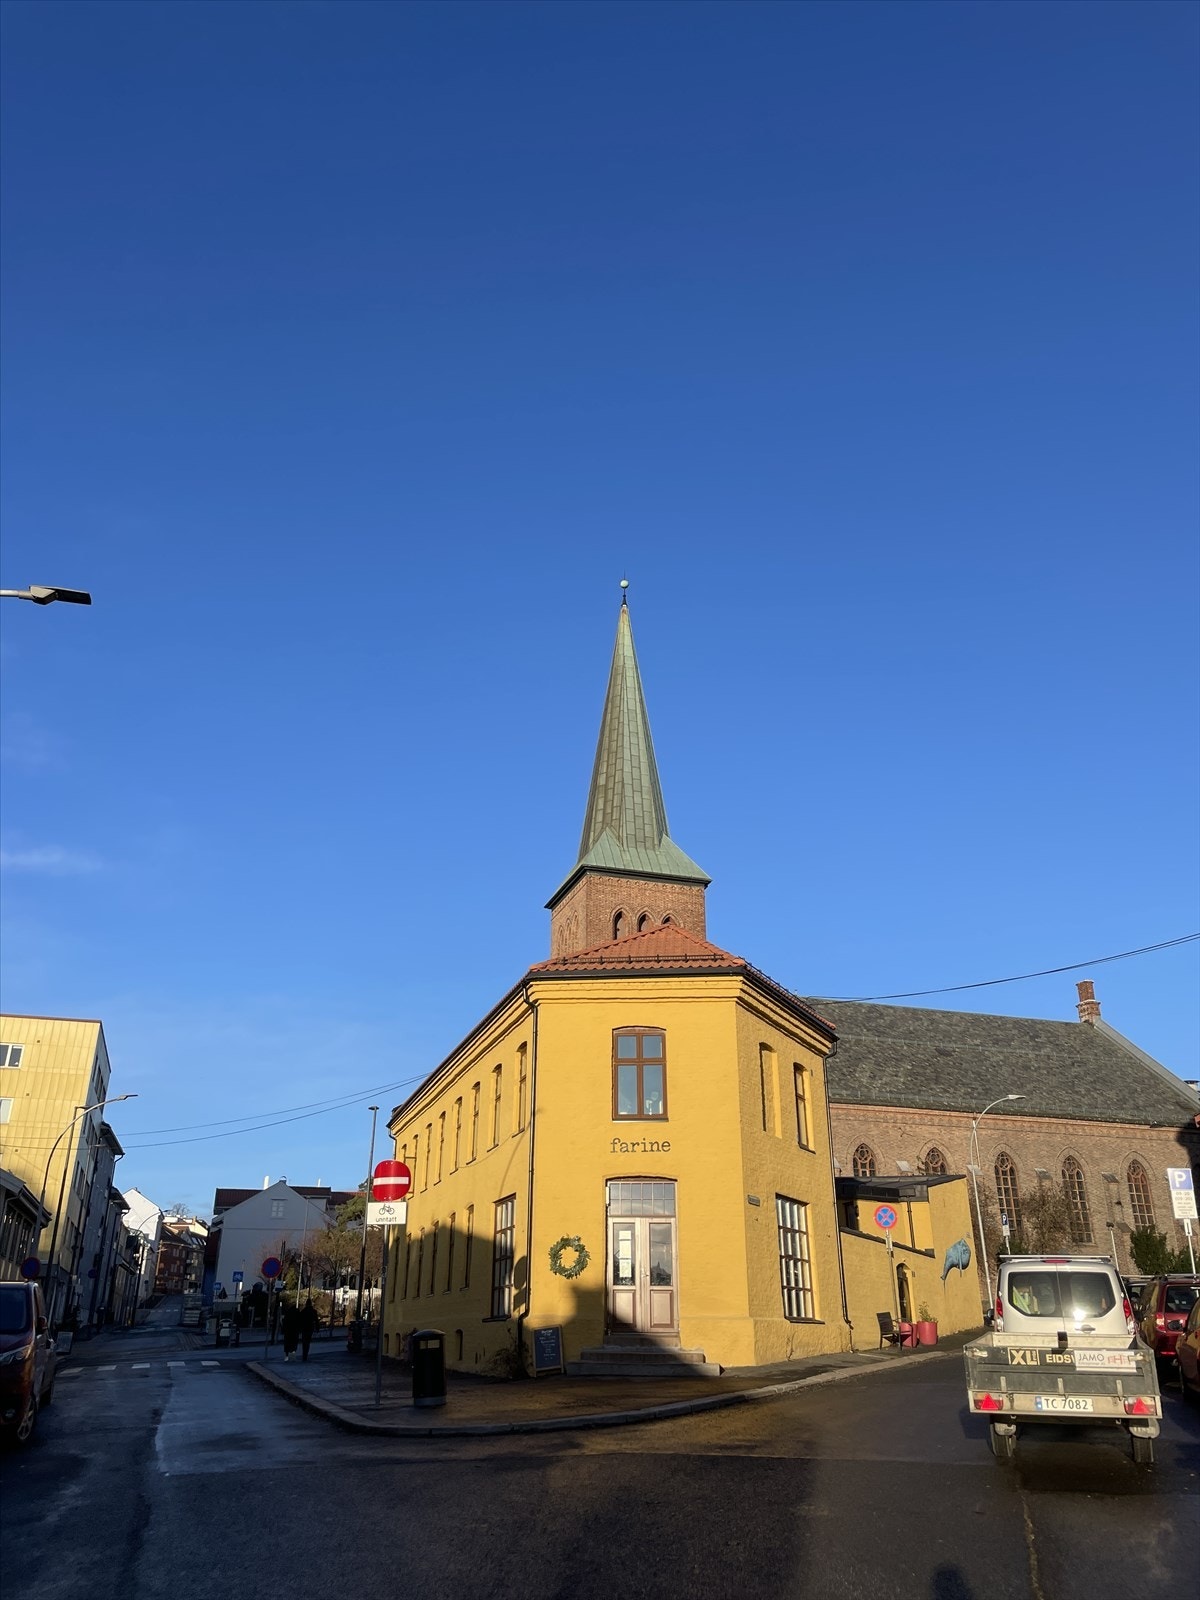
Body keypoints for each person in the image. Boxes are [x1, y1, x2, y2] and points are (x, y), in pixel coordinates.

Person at [299, 1297, 320, 1362]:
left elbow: (300, 1320)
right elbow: (316, 1320)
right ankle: (305, 1354)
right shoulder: (313, 1311)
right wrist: (317, 1328)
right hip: (310, 1328)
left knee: (304, 1342)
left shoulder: (303, 1311)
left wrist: (299, 1328)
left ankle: (304, 1355)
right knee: (307, 1342)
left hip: (304, 1328)